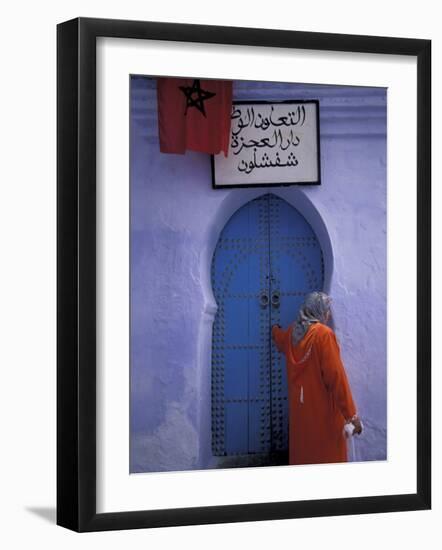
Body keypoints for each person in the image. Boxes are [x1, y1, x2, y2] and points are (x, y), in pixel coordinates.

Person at [272, 291, 362, 466]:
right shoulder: (323, 335)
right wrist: (351, 415)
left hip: (301, 413)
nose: (328, 314)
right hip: (323, 414)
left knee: (304, 454)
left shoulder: (292, 332)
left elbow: (280, 339)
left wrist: (274, 330)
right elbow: (337, 377)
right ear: (319, 311)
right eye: (327, 310)